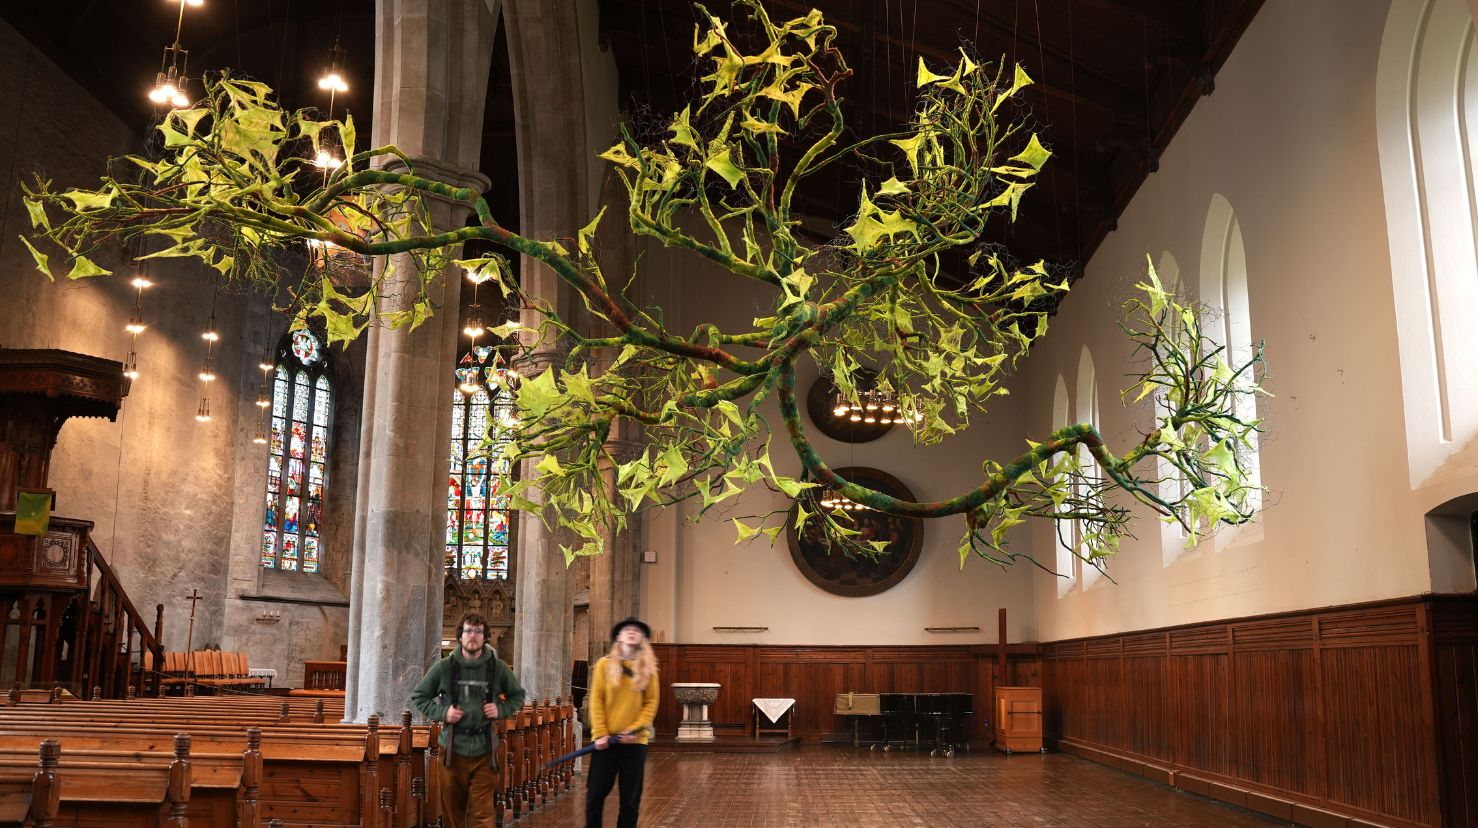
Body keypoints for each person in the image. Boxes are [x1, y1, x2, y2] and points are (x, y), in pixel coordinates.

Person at [411, 612, 526, 828]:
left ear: (485, 637)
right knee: (453, 814)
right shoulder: (444, 667)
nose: (472, 635)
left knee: (483, 814)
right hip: (452, 749)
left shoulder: (498, 668)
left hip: (485, 750)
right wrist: (443, 713)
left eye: (478, 631)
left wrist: (500, 709)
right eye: (467, 630)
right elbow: (419, 696)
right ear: (460, 635)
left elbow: (518, 696)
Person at [586, 616, 660, 828]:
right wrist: (600, 733)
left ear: (641, 638)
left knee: (629, 800)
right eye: (627, 629)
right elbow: (596, 700)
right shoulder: (604, 665)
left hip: (635, 742)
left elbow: (651, 703)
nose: (631, 631)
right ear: (618, 636)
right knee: (595, 795)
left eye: (636, 630)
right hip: (605, 741)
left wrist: (635, 729)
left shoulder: (648, 669)